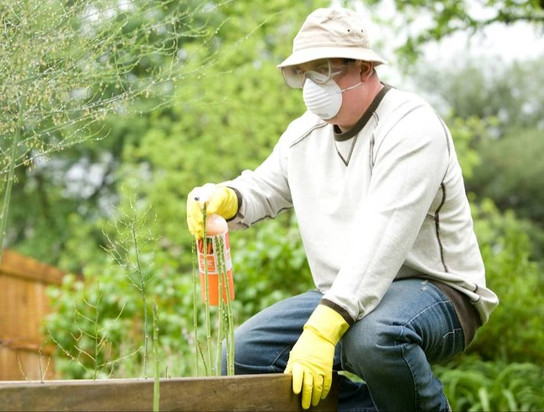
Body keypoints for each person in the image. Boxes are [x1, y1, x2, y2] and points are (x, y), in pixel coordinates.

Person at [186, 7, 498, 411]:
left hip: (438, 291)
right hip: (344, 295)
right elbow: (263, 187)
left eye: (327, 69)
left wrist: (323, 328)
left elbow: (384, 238)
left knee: (372, 337)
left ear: (365, 67)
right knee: (242, 358)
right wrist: (225, 197)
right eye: (304, 72)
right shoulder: (304, 133)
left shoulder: (411, 127)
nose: (313, 84)